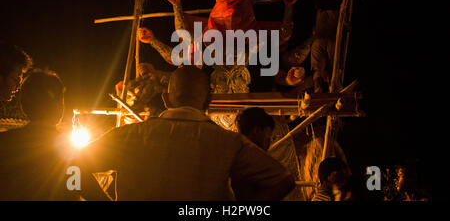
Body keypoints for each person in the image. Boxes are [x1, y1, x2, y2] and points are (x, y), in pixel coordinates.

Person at [74, 66, 295, 200]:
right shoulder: (229, 142)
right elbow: (284, 180)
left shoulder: (128, 135)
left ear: (167, 99)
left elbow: (71, 170)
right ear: (208, 100)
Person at [0, 68, 75, 200]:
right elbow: (78, 188)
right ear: (60, 106)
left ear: (23, 105)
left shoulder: (4, 142)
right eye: (61, 100)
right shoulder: (68, 150)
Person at [232, 107, 280, 200]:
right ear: (257, 131)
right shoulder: (252, 164)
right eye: (268, 137)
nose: (269, 143)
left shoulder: (234, 157)